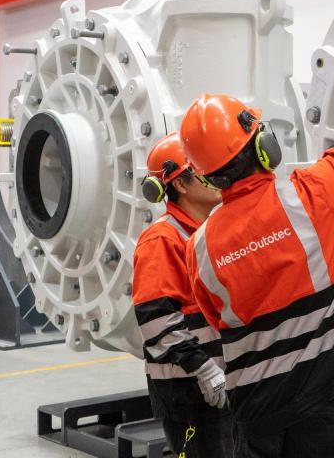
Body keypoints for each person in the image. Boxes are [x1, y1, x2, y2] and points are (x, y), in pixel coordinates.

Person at [180, 19, 334, 457]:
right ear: (265, 146)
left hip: (255, 419)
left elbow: (216, 319)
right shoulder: (310, 195)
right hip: (325, 410)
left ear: (208, 176)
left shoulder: (199, 247)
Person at [132, 132, 235, 457]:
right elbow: (156, 321)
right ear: (180, 184)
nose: (217, 176)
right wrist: (204, 370)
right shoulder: (162, 239)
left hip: (222, 386)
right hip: (190, 394)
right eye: (205, 169)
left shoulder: (211, 232)